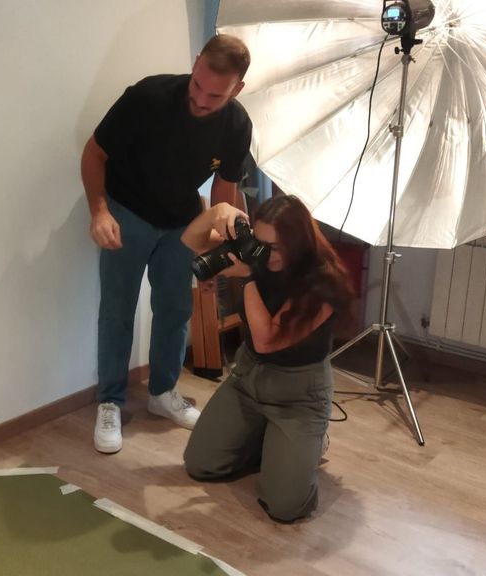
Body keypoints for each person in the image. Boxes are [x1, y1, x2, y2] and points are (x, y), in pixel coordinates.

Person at [81, 35, 252, 454]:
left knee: (175, 308)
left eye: (215, 94)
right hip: (128, 210)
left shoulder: (237, 125)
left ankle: (162, 393)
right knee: (117, 311)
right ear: (195, 65)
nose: (200, 99)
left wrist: (217, 250)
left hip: (183, 221)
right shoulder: (148, 96)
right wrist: (100, 213)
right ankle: (110, 402)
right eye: (197, 85)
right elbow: (93, 154)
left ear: (237, 89)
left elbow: (224, 192)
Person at [180, 195, 354, 523]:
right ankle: (269, 440)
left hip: (299, 395)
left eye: (275, 247)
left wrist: (250, 276)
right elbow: (191, 240)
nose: (264, 254)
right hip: (248, 379)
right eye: (259, 243)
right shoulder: (259, 256)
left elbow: (267, 338)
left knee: (286, 506)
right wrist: (218, 212)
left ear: (299, 243)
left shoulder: (323, 283)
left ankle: (308, 444)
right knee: (200, 464)